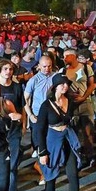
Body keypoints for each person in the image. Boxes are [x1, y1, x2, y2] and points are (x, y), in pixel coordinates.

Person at [36, 74, 88, 191]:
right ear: (55, 86)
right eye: (62, 84)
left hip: (67, 138)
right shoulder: (46, 105)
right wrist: (42, 151)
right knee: (50, 174)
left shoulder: (70, 101)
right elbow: (39, 129)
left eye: (66, 84)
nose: (65, 86)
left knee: (73, 173)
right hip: (52, 140)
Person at [0, 59, 26, 191]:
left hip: (14, 131)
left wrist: (24, 124)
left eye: (11, 69)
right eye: (5, 69)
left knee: (12, 166)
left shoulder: (17, 87)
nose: (8, 72)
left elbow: (22, 107)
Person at [24, 54, 57, 184]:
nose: (47, 69)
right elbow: (25, 99)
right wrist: (31, 116)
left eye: (49, 66)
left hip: (52, 116)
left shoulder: (55, 77)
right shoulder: (33, 80)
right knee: (40, 145)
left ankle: (49, 169)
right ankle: (42, 171)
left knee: (50, 143)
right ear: (38, 66)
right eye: (44, 66)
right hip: (38, 117)